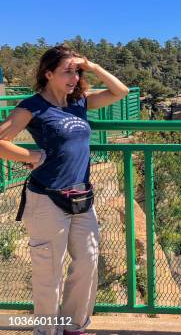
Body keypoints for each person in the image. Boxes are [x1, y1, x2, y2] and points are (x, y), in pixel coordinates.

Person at [0, 44, 129, 335]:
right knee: (49, 274)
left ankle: (73, 326)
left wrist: (92, 66)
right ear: (48, 74)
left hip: (82, 198)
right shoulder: (32, 106)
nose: (74, 77)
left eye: (76, 71)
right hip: (46, 199)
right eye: (66, 71)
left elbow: (121, 92)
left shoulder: (79, 101)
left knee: (87, 264)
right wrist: (30, 156)